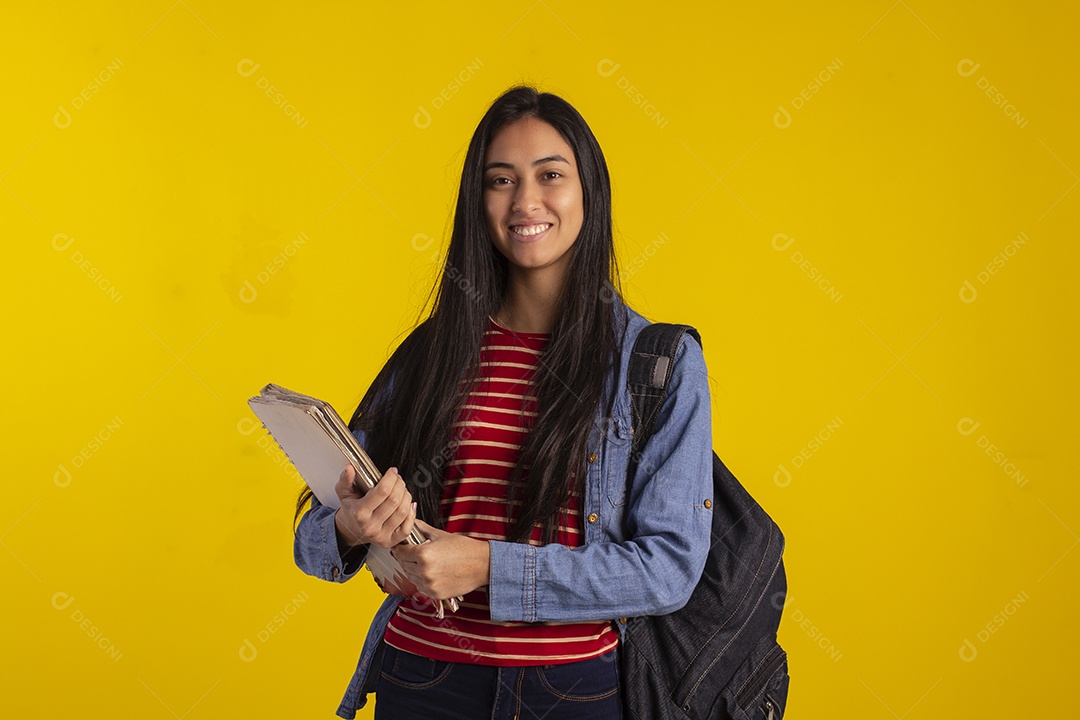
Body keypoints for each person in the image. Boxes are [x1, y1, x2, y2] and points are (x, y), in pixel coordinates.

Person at [293, 85, 714, 720]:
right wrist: (355, 528)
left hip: (575, 691)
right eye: (500, 180)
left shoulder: (658, 362)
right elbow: (313, 538)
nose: (525, 201)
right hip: (424, 680)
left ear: (588, 192)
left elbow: (668, 568)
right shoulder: (432, 352)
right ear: (477, 199)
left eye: (551, 175)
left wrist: (489, 566)